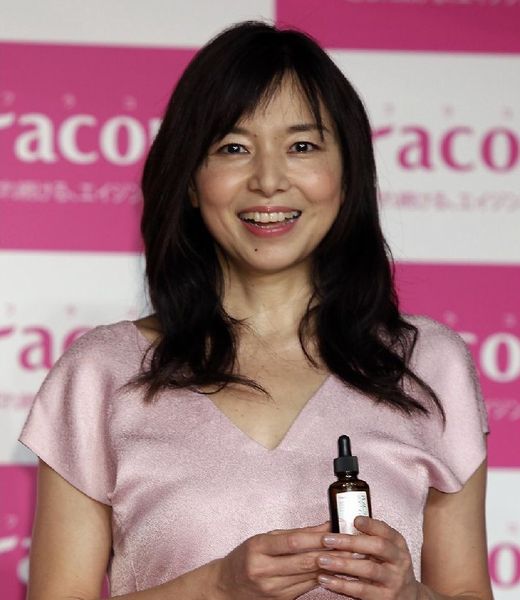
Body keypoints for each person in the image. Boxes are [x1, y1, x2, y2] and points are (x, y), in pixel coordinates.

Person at [19, 21, 493, 600]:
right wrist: (215, 588)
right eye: (234, 148)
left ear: (348, 174)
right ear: (190, 181)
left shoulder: (429, 363)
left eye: (302, 147)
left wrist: (409, 595)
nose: (269, 181)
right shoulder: (102, 371)